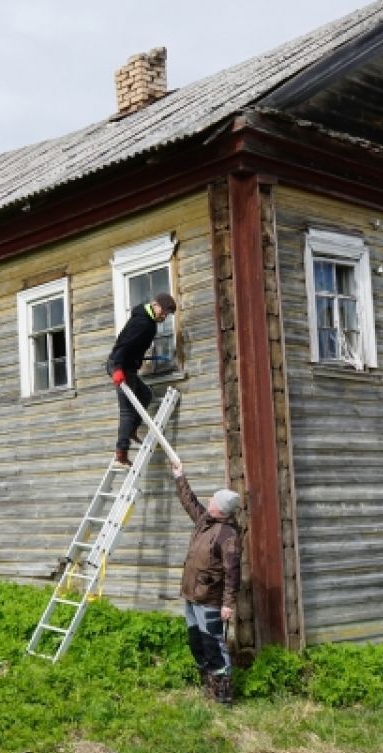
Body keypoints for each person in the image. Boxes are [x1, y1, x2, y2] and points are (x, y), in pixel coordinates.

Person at [172, 462, 242, 706]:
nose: (209, 502)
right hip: (193, 595)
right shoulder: (206, 521)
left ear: (221, 510)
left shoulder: (228, 536)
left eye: (213, 501)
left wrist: (228, 604)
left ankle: (224, 693)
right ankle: (208, 685)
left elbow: (233, 572)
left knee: (214, 645)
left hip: (210, 599)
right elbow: (189, 503)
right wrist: (180, 476)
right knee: (196, 642)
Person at [106, 292, 177, 465]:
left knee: (145, 395)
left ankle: (131, 430)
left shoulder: (148, 322)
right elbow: (123, 344)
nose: (164, 316)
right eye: (164, 312)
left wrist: (138, 358)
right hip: (121, 367)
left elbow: (133, 346)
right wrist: (116, 367)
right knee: (127, 410)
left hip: (128, 366)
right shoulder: (142, 322)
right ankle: (121, 453)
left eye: (167, 314)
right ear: (155, 305)